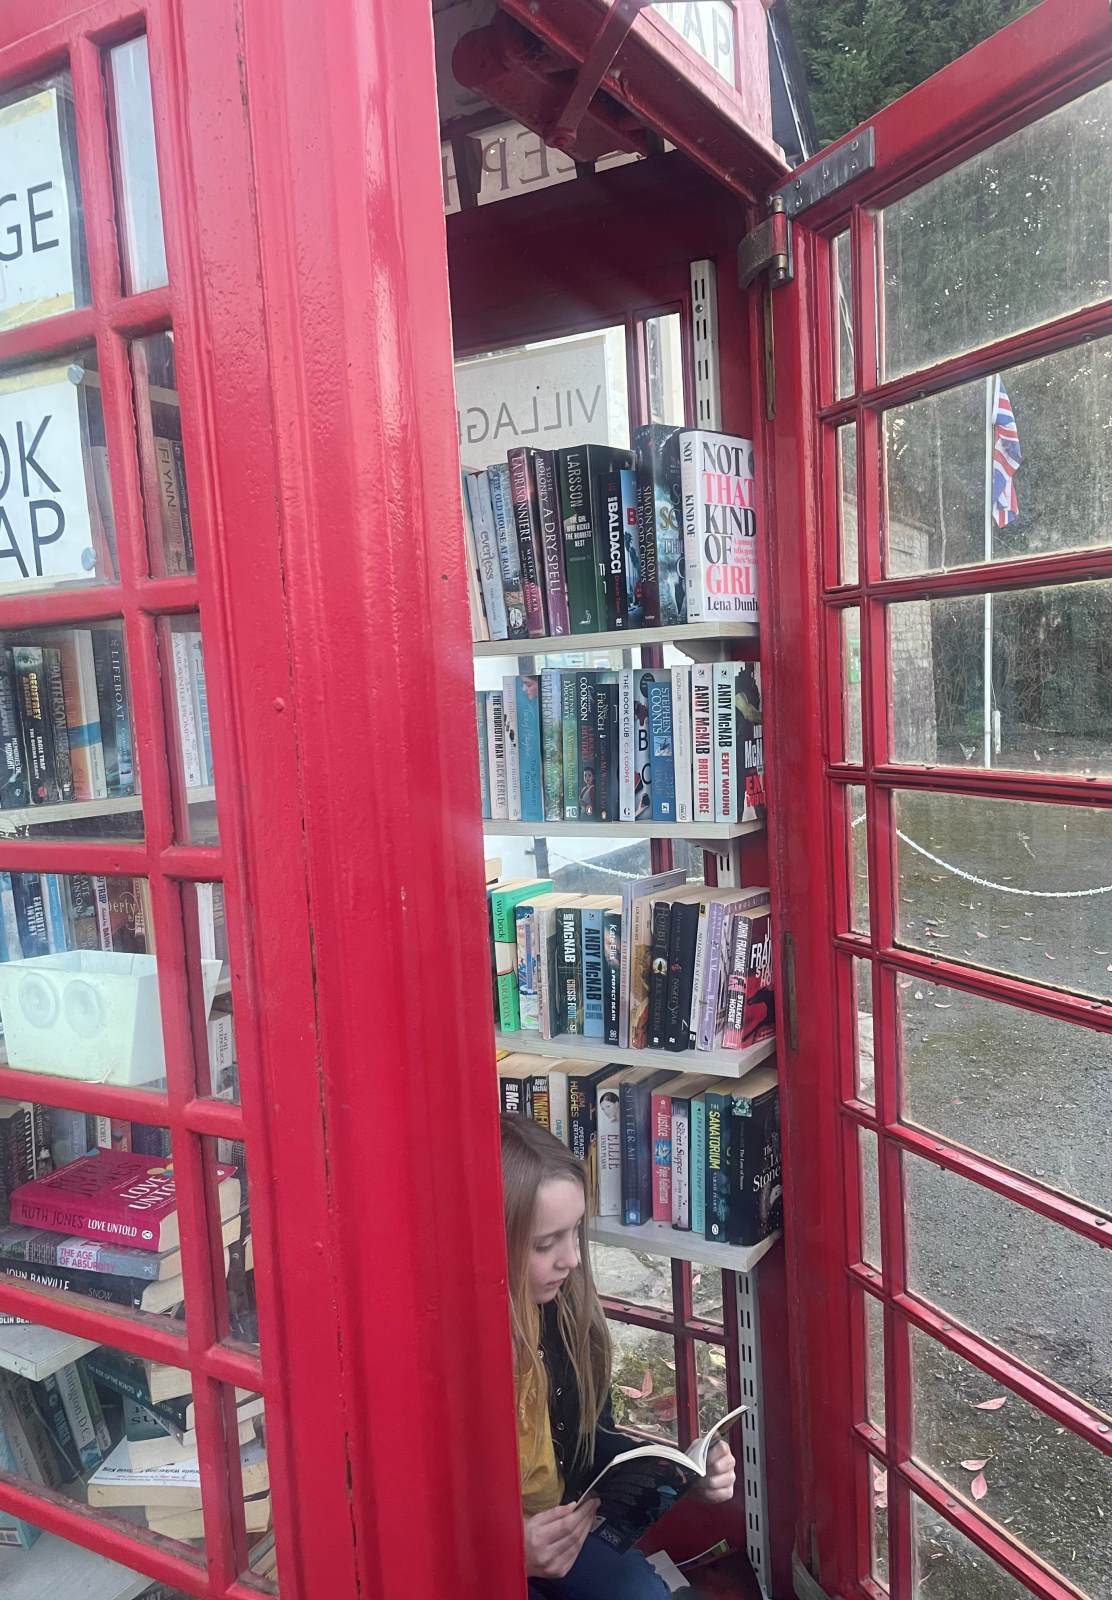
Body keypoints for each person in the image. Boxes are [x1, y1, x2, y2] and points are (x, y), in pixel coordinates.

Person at [501, 1115, 736, 1599]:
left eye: (575, 1232)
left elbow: (589, 1441)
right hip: (486, 1553)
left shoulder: (563, 1312)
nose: (573, 1259)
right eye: (545, 1244)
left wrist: (678, 1474)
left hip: (564, 1529)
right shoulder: (447, 1353)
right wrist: (507, 1549)